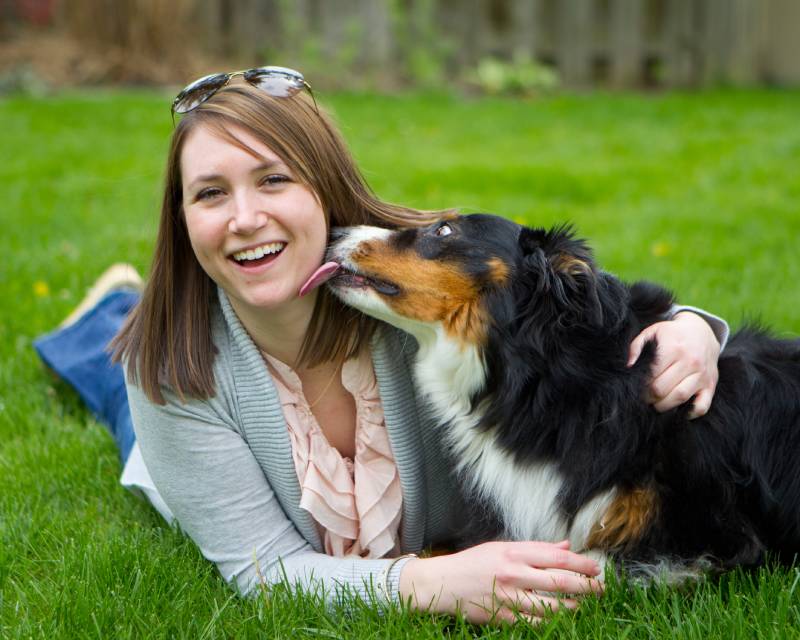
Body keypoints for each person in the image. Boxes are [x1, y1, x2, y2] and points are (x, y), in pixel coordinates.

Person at [34, 67, 728, 625]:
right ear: (182, 218)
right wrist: (427, 583)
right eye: (210, 194)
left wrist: (697, 327)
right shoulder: (171, 372)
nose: (245, 219)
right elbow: (268, 576)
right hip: (178, 403)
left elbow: (570, 306)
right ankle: (107, 317)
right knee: (121, 394)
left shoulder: (414, 274)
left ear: (325, 187)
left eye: (274, 179)